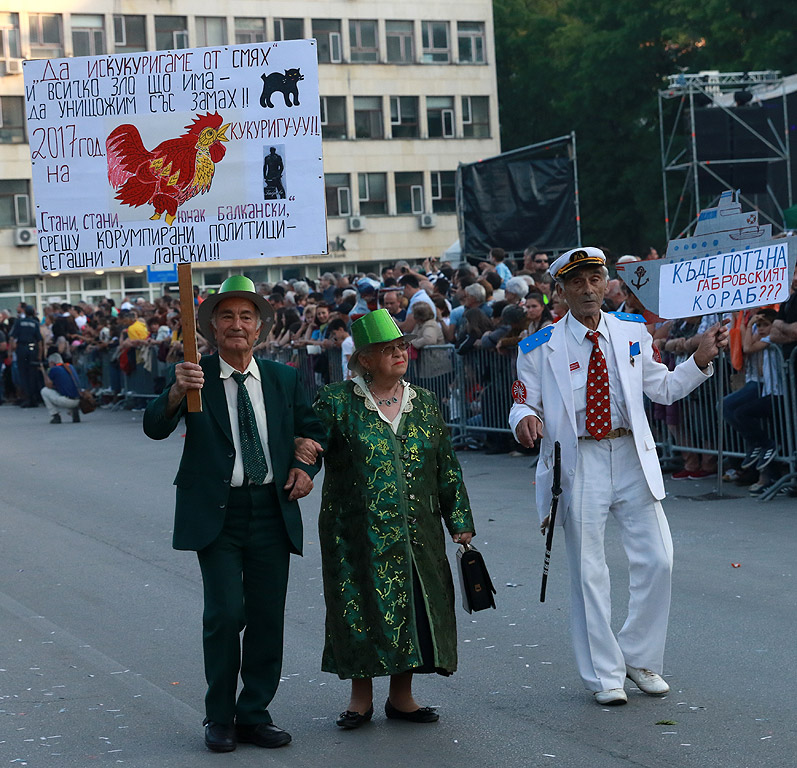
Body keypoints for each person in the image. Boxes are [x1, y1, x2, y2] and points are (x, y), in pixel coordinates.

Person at [509, 247, 728, 706]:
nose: (587, 289)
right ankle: (604, 675)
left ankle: (639, 657)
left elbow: (663, 386)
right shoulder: (539, 345)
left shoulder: (631, 331)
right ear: (562, 290)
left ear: (606, 283)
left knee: (659, 558)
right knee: (589, 571)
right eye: (577, 282)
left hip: (630, 452)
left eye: (594, 279)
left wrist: (700, 360)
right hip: (579, 461)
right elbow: (522, 401)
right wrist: (524, 418)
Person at [143, 276, 326, 752]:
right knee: (226, 614)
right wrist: (174, 395)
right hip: (217, 514)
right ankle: (219, 716)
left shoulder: (282, 378)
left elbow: (312, 431)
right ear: (209, 327)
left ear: (262, 327)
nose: (237, 325)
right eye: (227, 316)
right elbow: (155, 427)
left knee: (267, 617)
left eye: (247, 317)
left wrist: (306, 466)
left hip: (271, 508)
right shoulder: (194, 375)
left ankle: (254, 713)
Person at [300, 309, 474, 728]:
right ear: (364, 359)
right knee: (358, 606)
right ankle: (360, 698)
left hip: (418, 530)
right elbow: (313, 450)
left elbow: (446, 466)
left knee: (413, 606)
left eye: (402, 346)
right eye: (389, 349)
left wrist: (459, 520)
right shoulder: (337, 401)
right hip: (354, 531)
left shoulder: (425, 403)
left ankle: (402, 696)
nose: (400, 353)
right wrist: (302, 466)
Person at [9, 304, 44, 407]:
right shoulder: (35, 323)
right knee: (32, 374)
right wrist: (40, 354)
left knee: (23, 374)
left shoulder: (19, 322)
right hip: (33, 349)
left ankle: (28, 398)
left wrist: (10, 352)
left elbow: (12, 338)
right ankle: (34, 399)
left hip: (22, 349)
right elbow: (39, 340)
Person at [40, 353, 81, 424]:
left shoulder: (54, 369)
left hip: (67, 401)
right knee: (66, 389)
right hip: (78, 399)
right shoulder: (69, 366)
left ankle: (55, 415)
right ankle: (73, 411)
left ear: (52, 362)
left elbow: (48, 385)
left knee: (44, 391)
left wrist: (43, 371)